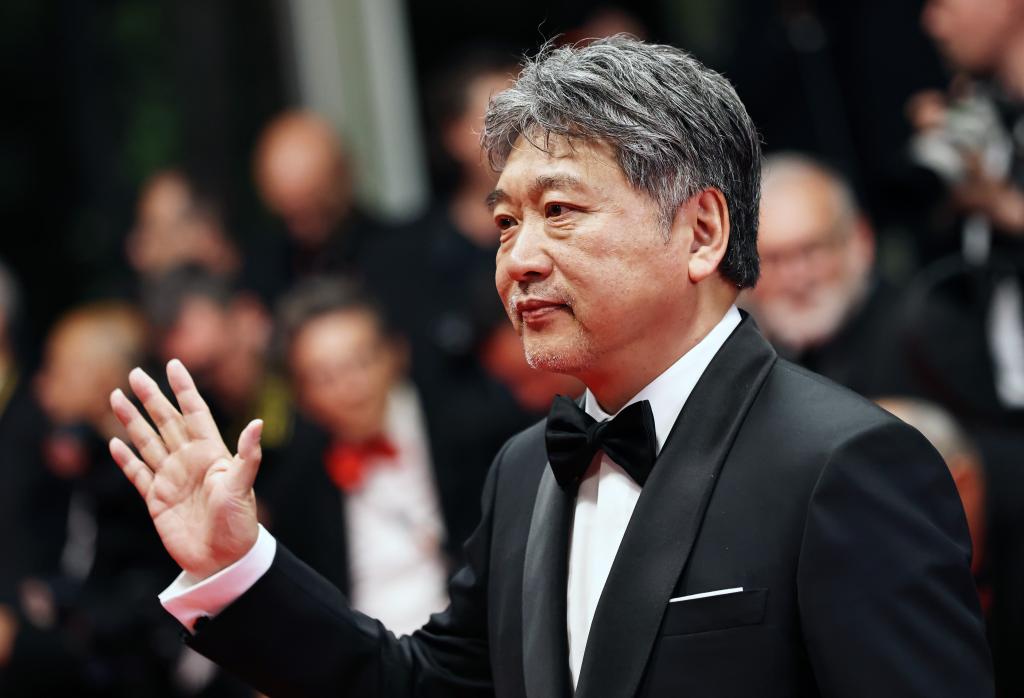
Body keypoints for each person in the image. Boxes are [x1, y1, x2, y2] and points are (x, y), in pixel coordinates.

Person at [108, 37, 992, 697]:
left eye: (559, 211)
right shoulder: (526, 471)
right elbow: (419, 688)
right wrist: (238, 566)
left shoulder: (845, 463)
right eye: (505, 222)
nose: (518, 259)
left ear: (702, 232)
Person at [260, 277, 449, 635]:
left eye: (362, 362)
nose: (351, 387)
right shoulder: (297, 479)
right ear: (301, 396)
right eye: (325, 377)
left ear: (396, 352)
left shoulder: (459, 425)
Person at [744, 153, 909, 396]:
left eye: (811, 251)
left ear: (861, 241)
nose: (796, 278)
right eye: (774, 259)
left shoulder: (919, 336)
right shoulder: (751, 366)